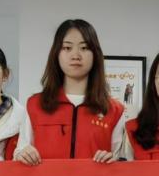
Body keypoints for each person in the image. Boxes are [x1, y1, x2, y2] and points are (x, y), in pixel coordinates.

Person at [19, 19, 126, 165]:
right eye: (67, 48)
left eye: (84, 48)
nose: (76, 55)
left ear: (95, 54)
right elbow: (21, 152)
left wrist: (114, 161)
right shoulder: (35, 105)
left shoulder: (114, 110)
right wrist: (23, 154)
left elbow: (120, 162)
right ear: (56, 53)